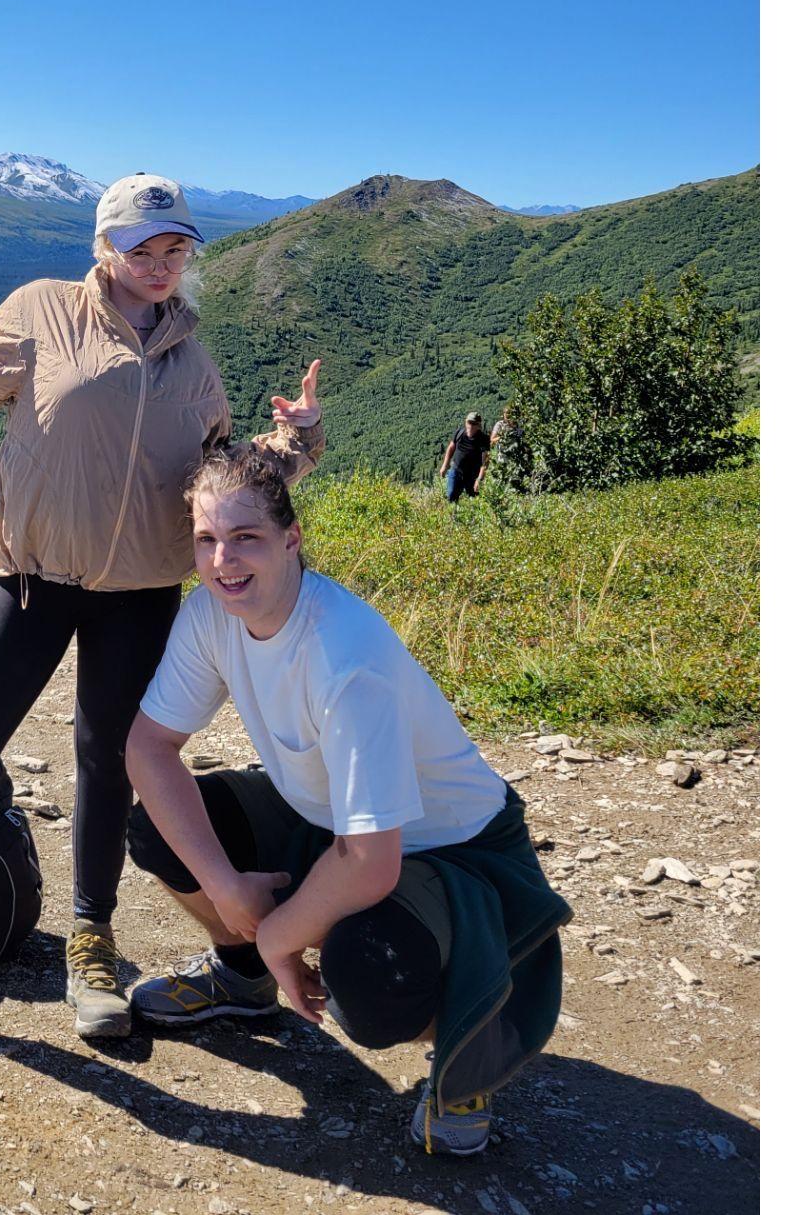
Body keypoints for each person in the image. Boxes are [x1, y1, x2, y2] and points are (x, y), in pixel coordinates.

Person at [0, 174, 326, 1055]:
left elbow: (223, 480)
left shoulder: (192, 361)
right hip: (31, 578)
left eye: (175, 248)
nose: (161, 264)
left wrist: (297, 443)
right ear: (104, 247)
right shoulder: (41, 312)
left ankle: (92, 945)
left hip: (140, 590)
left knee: (108, 763)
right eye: (143, 248)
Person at [123, 445, 570, 1157]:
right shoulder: (211, 615)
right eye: (206, 540)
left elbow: (369, 861)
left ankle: (473, 1026)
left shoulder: (344, 652)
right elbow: (148, 750)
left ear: (292, 540)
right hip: (329, 822)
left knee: (366, 971)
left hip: (458, 853)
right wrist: (226, 887)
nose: (222, 560)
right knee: (160, 830)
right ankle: (241, 980)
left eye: (246, 538)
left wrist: (276, 934)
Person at [439, 411, 492, 502]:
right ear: (466, 422)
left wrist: (479, 479)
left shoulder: (484, 439)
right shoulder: (459, 433)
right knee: (451, 497)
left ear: (479, 425)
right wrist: (445, 465)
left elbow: (485, 461)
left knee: (476, 501)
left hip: (473, 475)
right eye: (469, 422)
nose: (471, 426)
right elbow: (451, 448)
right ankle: (453, 516)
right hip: (456, 471)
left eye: (474, 423)